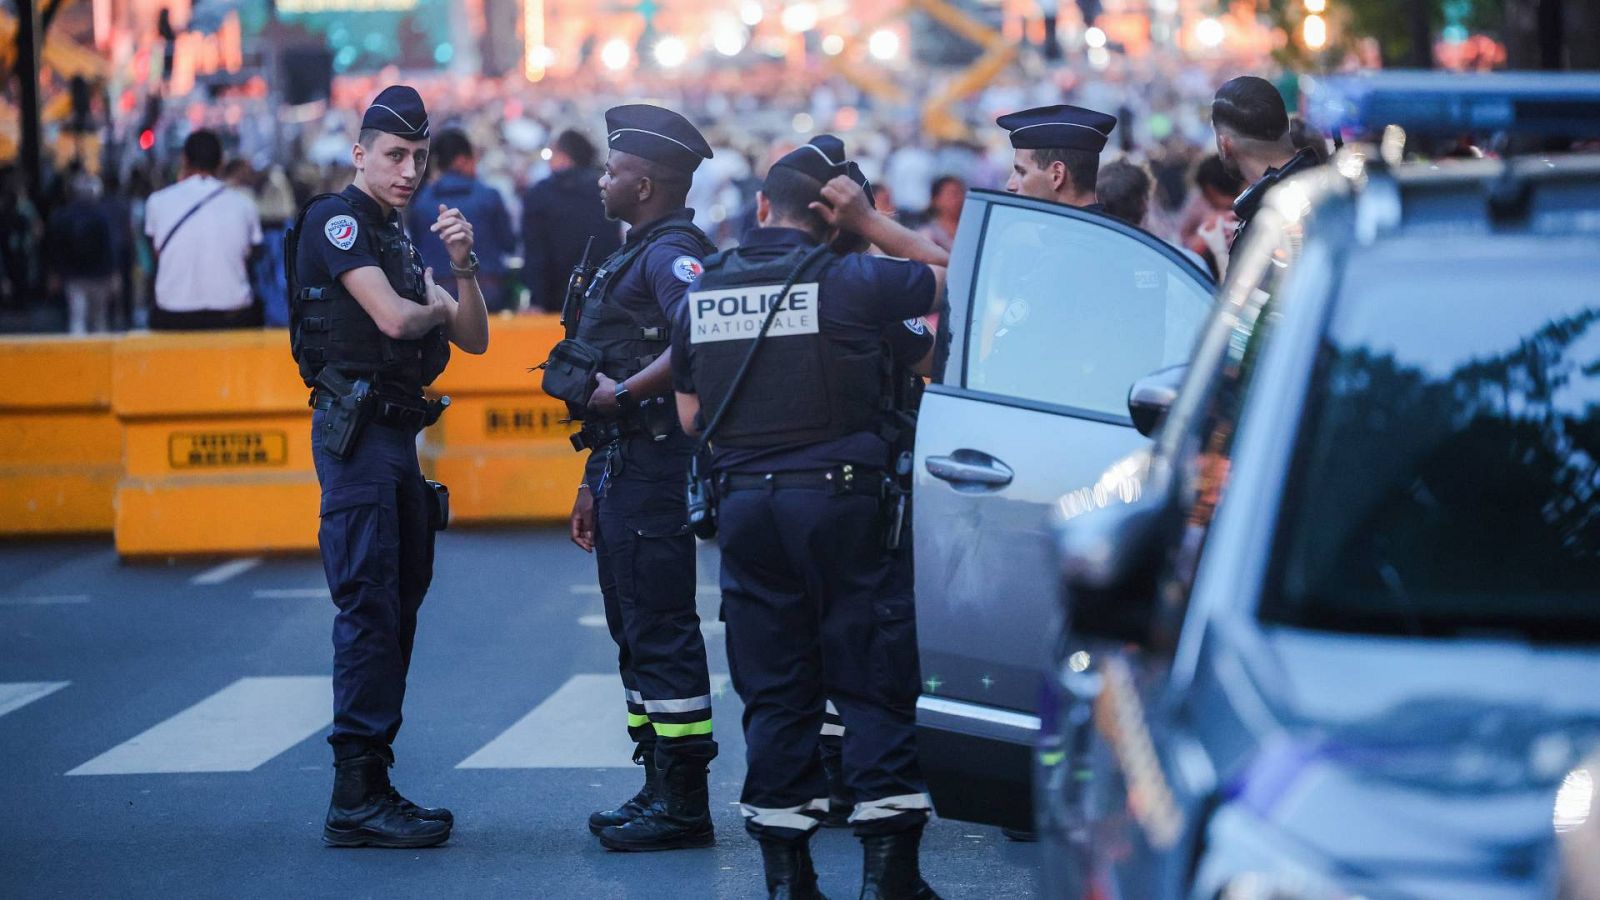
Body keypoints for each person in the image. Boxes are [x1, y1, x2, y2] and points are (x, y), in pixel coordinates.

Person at [672, 134, 948, 900]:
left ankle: (788, 878)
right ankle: (889, 878)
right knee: (871, 679)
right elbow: (961, 278)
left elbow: (692, 416)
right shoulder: (854, 279)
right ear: (835, 220)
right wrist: (875, 226)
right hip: (841, 501)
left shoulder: (708, 292)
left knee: (775, 688)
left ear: (762, 207)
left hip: (746, 512)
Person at [285, 85, 489, 849]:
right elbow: (399, 318)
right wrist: (435, 305)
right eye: (395, 155)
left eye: (419, 156)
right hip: (360, 435)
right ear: (359, 152)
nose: (409, 169)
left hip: (395, 441)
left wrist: (462, 270)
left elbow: (474, 338)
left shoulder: (397, 236)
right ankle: (357, 794)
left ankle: (373, 782)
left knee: (397, 605)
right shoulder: (339, 223)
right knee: (370, 607)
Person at [559, 104, 720, 853]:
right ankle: (657, 782)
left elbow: (700, 333)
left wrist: (625, 394)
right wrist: (593, 478)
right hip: (624, 467)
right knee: (634, 630)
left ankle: (684, 802)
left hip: (656, 470)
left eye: (615, 170)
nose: (603, 180)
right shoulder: (635, 248)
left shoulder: (671, 253)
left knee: (660, 628)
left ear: (646, 183)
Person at [144, 130, 263, 329]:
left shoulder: (157, 202)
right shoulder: (244, 204)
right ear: (221, 162)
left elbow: (156, 253)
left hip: (172, 314)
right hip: (232, 315)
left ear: (184, 160)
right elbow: (251, 253)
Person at [407, 128, 517, 312]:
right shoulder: (490, 196)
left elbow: (416, 247)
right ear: (462, 160)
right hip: (488, 290)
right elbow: (508, 243)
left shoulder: (421, 201)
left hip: (438, 292)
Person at [521, 128, 622, 312]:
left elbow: (535, 252)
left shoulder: (540, 194)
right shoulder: (605, 190)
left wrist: (536, 298)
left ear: (564, 156)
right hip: (600, 293)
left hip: (554, 297)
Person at [1211, 75, 1319, 240]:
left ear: (1225, 144)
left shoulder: (1267, 220)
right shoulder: (1327, 185)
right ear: (1287, 124)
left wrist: (1225, 256)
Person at [998, 103, 1118, 210]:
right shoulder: (1106, 231)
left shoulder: (1067, 234)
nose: (1010, 185)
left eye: (1022, 172)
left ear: (1057, 175)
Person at [45, 172, 118, 334]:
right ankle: (100, 357)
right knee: (99, 320)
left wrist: (55, 273)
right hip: (100, 275)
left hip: (74, 276)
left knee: (77, 319)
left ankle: (78, 356)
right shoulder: (101, 215)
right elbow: (109, 247)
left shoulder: (62, 216)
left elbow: (55, 249)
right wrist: (113, 274)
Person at [1096, 159, 1154, 230]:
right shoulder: (1144, 239)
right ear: (1142, 204)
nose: (1146, 207)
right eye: (1146, 197)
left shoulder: (1087, 230)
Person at [917, 175, 965, 251]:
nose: (959, 199)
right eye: (952, 194)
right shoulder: (928, 235)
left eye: (961, 193)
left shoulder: (972, 232)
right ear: (936, 200)